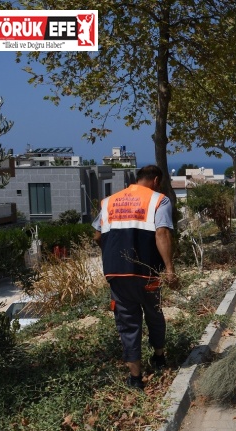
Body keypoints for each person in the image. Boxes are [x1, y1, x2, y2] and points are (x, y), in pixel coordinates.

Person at [92, 165, 177, 390]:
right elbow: (162, 233)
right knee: (154, 314)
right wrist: (169, 269)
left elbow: (97, 235)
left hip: (116, 274)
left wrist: (113, 256)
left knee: (128, 323)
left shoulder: (109, 201)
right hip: (147, 272)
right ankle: (158, 357)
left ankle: (136, 378)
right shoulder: (160, 200)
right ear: (156, 180)